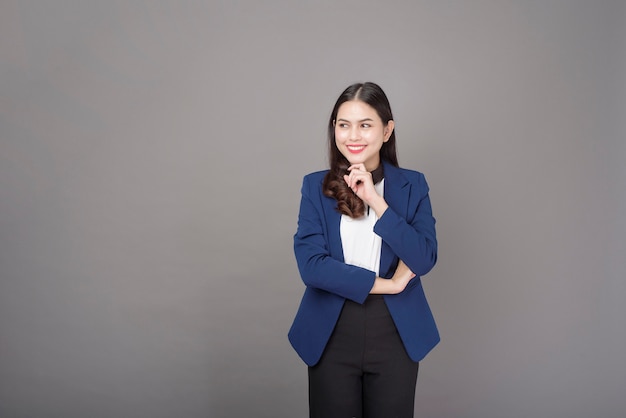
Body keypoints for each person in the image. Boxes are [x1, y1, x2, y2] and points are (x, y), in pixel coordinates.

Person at [288, 82, 439, 417]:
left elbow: (424, 257)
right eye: (343, 125)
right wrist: (392, 284)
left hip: (396, 331)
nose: (352, 136)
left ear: (387, 131)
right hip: (331, 329)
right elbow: (312, 267)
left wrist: (376, 201)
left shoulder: (413, 185)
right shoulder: (314, 186)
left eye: (365, 125)